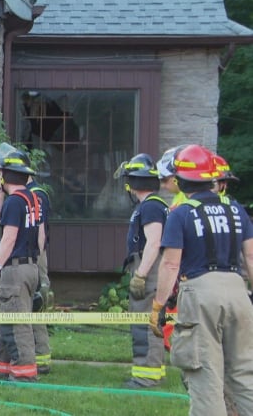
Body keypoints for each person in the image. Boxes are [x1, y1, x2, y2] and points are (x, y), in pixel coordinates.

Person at [149, 144, 253, 415]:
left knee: (205, 375)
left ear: (180, 180)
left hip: (201, 292)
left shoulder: (181, 213)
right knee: (244, 373)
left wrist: (159, 305)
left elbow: (171, 263)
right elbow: (251, 257)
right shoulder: (236, 209)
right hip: (237, 290)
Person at [0, 144, 51, 374]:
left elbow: (8, 237)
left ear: (5, 175)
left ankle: (24, 371)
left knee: (15, 322)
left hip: (14, 268)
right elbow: (41, 235)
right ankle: (1, 367)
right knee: (7, 318)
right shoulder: (33, 199)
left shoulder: (14, 202)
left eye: (0, 173)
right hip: (31, 265)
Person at [115, 153, 168, 388]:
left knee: (143, 323)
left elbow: (154, 243)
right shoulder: (153, 205)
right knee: (149, 322)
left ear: (133, 183)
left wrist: (141, 275)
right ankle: (153, 370)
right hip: (150, 267)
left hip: (148, 269)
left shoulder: (152, 206)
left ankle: (145, 376)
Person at [155, 145, 187, 352]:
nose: (163, 186)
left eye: (165, 180)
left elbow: (173, 259)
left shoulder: (184, 205)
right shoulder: (178, 200)